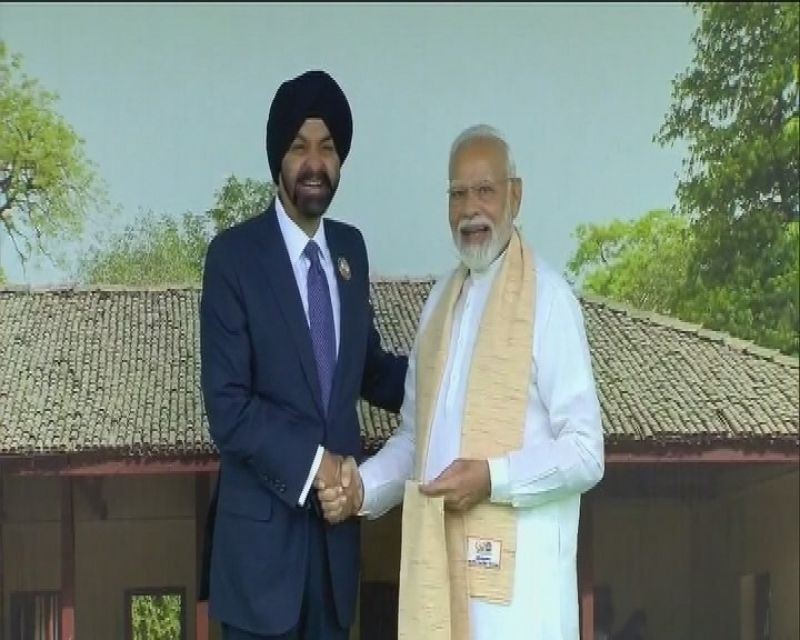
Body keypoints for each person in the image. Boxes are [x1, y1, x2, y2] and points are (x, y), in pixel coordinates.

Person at [318, 124, 605, 639]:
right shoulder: (438, 306)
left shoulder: (549, 300)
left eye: (485, 191)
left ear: (515, 196)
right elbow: (415, 441)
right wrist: (363, 488)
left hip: (521, 604)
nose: (470, 209)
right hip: (444, 586)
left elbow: (586, 452)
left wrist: (492, 478)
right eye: (457, 194)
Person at [200, 69, 407, 640]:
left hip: (334, 554)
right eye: (299, 147)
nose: (315, 163)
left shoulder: (350, 250)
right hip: (259, 560)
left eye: (328, 148)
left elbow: (366, 369)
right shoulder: (234, 257)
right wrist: (320, 465)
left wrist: (447, 377)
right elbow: (228, 408)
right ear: (278, 161)